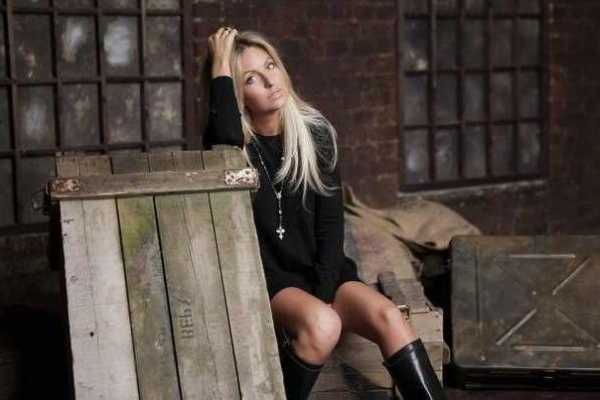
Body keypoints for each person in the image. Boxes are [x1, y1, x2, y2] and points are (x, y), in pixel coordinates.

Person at [205, 27, 447, 400]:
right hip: (270, 280)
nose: (270, 81)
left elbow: (331, 226)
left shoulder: (314, 134)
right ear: (237, 93)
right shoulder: (235, 149)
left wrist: (323, 292)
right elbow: (222, 135)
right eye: (251, 78)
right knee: (322, 324)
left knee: (389, 317)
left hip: (323, 272)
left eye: (271, 66)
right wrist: (220, 65)